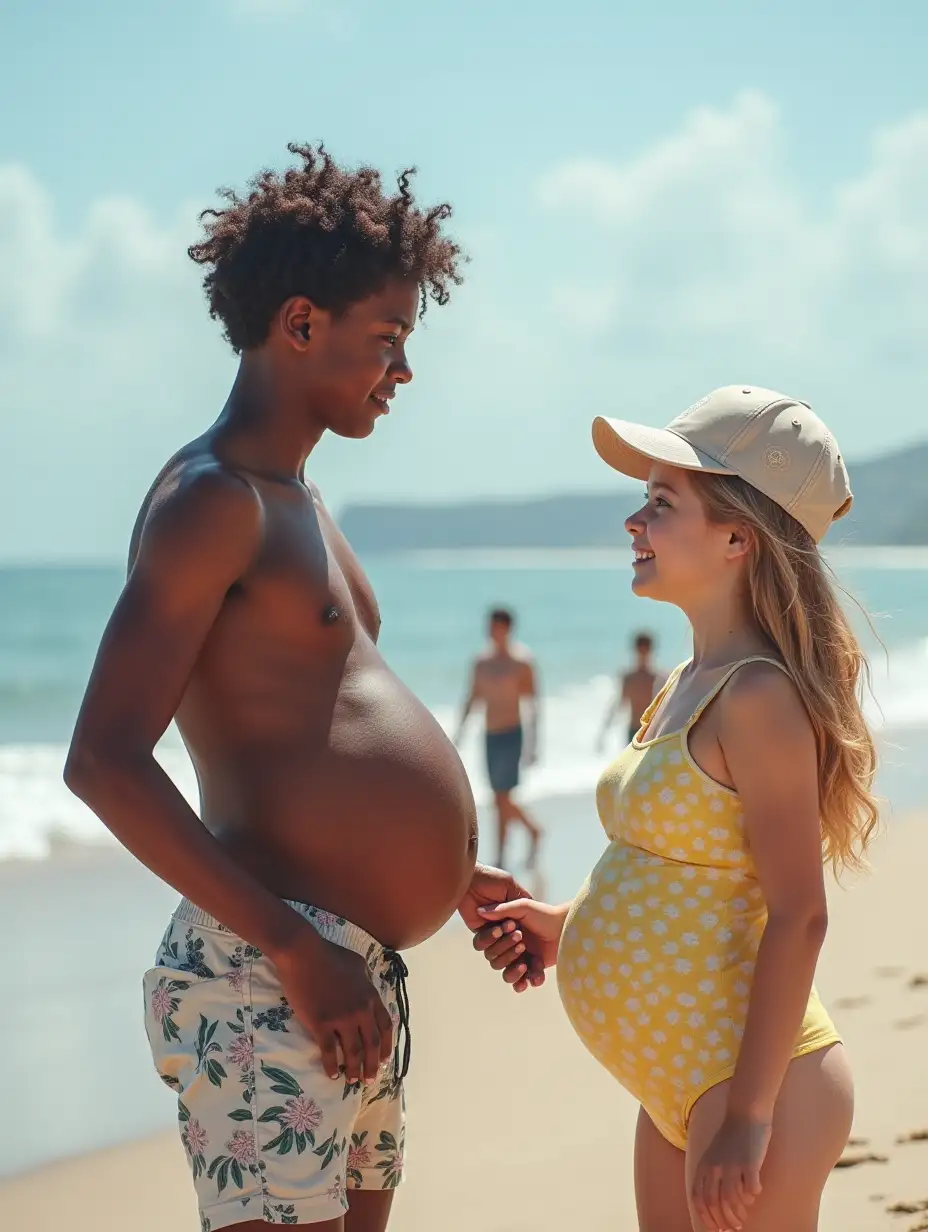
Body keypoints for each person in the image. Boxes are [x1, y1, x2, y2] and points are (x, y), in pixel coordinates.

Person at [64, 143, 538, 1232]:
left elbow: (317, 727)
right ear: (299, 323)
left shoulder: (300, 500)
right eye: (389, 339)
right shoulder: (211, 501)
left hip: (346, 972)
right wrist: (291, 944)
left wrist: (448, 870)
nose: (402, 370)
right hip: (264, 974)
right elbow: (101, 759)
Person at [473, 386, 877, 1232]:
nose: (634, 523)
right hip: (685, 1087)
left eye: (661, 502)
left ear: (738, 536)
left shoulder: (757, 695)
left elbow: (800, 916)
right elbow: (679, 864)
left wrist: (750, 1118)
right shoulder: (683, 688)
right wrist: (567, 922)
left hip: (754, 1086)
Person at [456, 607, 543, 870]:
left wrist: (533, 744)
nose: (492, 631)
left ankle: (503, 855)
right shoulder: (480, 662)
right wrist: (460, 730)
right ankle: (530, 832)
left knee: (502, 797)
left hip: (511, 734)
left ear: (507, 628)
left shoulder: (522, 662)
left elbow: (533, 705)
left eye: (497, 626)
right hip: (489, 735)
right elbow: (472, 697)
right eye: (489, 626)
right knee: (497, 797)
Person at [597, 630, 665, 751]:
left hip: (651, 733)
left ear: (650, 650)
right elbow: (618, 705)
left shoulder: (657, 678)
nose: (643, 653)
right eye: (641, 649)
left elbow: (665, 709)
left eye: (646, 649)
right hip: (633, 733)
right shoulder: (629, 678)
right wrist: (604, 731)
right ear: (636, 650)